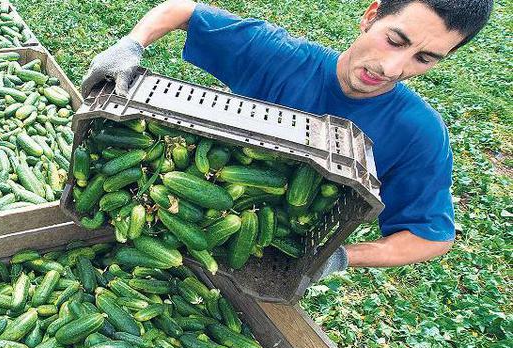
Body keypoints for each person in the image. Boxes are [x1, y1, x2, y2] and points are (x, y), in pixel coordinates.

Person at [81, 0, 492, 280]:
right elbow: (182, 10)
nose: (392, 67)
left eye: (424, 58)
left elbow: (430, 237)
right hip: (178, 216)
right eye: (395, 40)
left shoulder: (418, 133)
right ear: (370, 15)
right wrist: (129, 45)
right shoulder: (282, 57)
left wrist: (342, 257)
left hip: (272, 254)